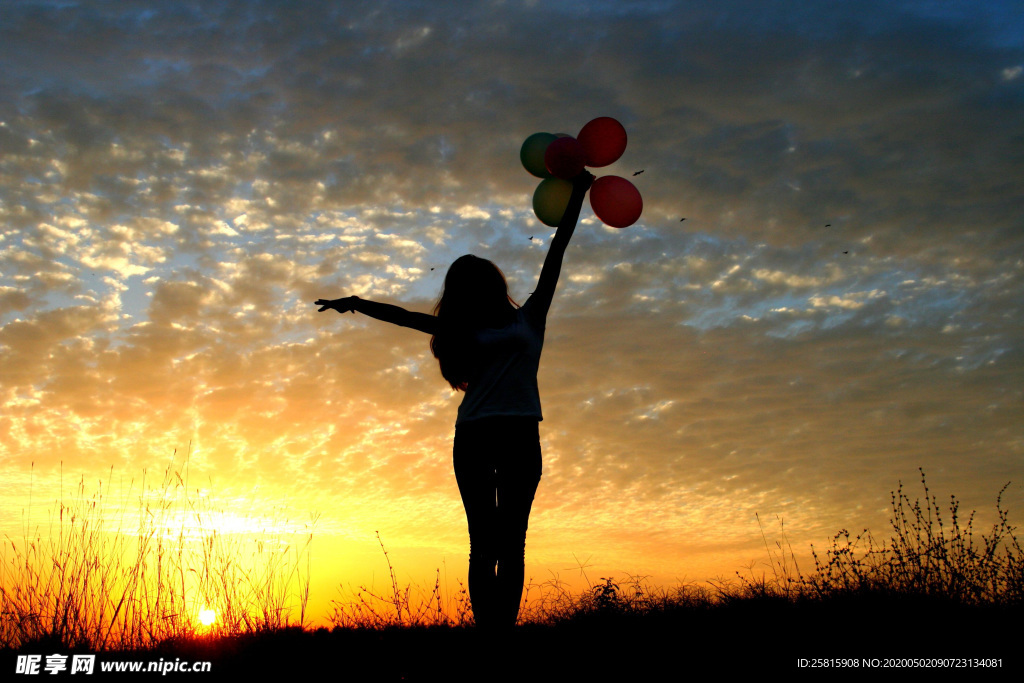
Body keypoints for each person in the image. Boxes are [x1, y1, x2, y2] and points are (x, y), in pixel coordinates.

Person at [315, 170, 594, 630]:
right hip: (476, 436)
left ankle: (502, 630)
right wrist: (355, 302)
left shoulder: (531, 318)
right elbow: (404, 318)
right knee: (483, 542)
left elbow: (556, 254)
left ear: (490, 284)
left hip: (521, 434)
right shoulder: (462, 330)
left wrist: (578, 195)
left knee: (513, 541)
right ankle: (489, 633)